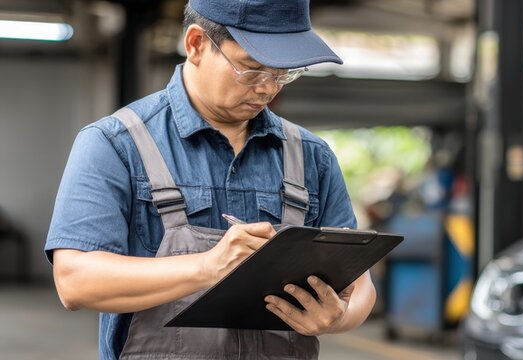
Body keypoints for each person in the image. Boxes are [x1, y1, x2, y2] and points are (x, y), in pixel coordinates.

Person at [44, 0, 374, 359]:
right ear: (197, 44)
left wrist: (337, 318)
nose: (267, 89)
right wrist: (206, 267)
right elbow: (75, 281)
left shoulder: (312, 156)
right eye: (250, 69)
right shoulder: (115, 144)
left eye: (284, 74)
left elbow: (359, 285)